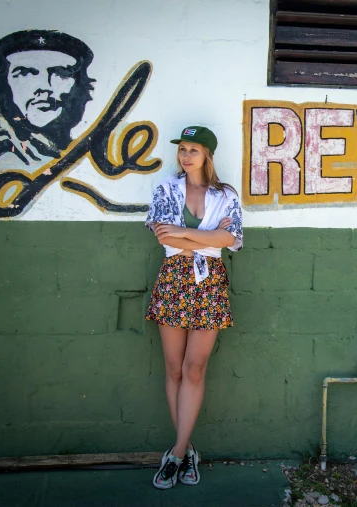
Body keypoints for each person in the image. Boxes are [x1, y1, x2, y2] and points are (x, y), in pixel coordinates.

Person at [144, 126, 243, 489]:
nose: (185, 156)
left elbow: (231, 240)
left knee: (194, 368)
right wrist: (208, 237)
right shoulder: (166, 189)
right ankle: (184, 454)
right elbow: (164, 237)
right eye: (182, 149)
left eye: (194, 150)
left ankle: (177, 452)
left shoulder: (226, 194)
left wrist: (190, 239)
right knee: (173, 369)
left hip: (209, 284)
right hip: (173, 281)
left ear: (208, 156)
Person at [0, 29, 95, 171]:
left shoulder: (82, 155)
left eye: (61, 73)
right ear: (4, 84)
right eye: (25, 73)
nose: (44, 86)